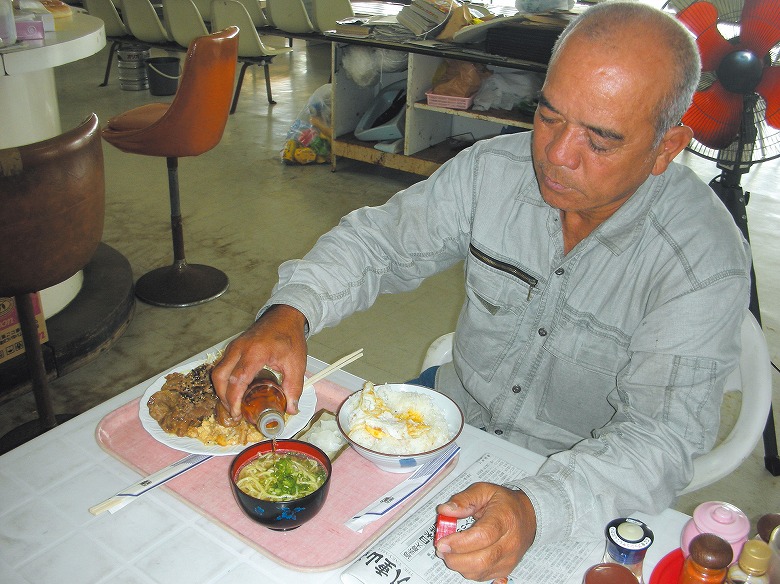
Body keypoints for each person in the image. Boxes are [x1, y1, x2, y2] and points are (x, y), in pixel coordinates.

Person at [212, 2, 751, 581]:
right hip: (450, 426)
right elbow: (379, 244)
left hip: (575, 481)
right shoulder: (491, 171)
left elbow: (661, 435)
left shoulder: (701, 260)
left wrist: (535, 506)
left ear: (668, 148)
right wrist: (291, 310)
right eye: (548, 116)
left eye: (600, 140)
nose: (556, 157)